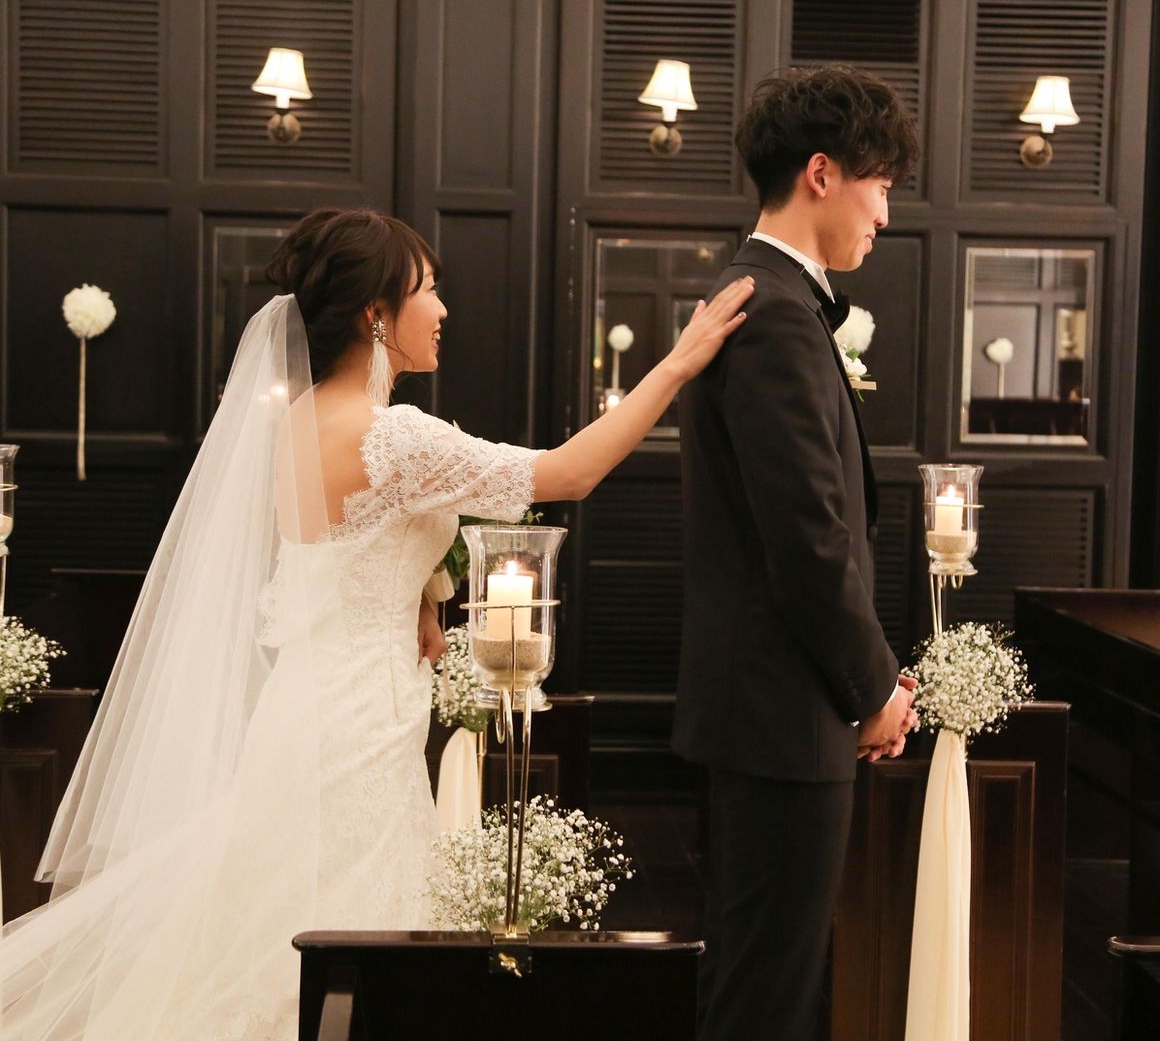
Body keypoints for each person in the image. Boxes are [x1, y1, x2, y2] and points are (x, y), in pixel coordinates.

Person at [0, 207, 753, 1039]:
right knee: (351, 933)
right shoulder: (396, 438)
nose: (444, 308)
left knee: (269, 930)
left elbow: (340, 548)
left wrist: (423, 594)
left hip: (301, 708)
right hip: (362, 724)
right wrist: (678, 364)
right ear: (376, 315)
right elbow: (568, 473)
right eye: (428, 289)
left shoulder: (293, 422)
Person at [672, 66, 921, 1040]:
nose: (885, 214)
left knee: (763, 980)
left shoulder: (772, 296)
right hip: (782, 713)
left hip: (777, 709)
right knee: (765, 997)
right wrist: (875, 687)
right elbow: (808, 541)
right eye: (879, 185)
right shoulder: (773, 310)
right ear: (821, 173)